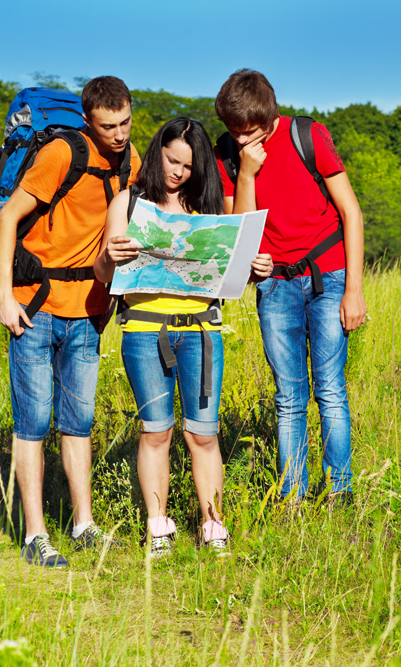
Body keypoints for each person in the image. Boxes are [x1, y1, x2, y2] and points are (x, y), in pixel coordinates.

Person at [94, 118, 273, 557]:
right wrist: (110, 257)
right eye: (172, 160)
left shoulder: (207, 212)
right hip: (143, 331)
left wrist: (252, 270)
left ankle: (214, 526)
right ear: (157, 152)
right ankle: (159, 527)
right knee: (156, 433)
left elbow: (229, 280)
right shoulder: (128, 203)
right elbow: (102, 277)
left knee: (204, 435)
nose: (177, 172)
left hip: (201, 333)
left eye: (188, 166)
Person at [0, 76, 141, 568]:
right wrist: (2, 296)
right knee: (33, 423)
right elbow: (7, 219)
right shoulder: (62, 153)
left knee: (78, 423)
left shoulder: (132, 161)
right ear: (87, 120)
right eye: (108, 126)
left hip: (90, 311)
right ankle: (35, 535)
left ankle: (83, 525)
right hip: (34, 307)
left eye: (124, 123)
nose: (118, 135)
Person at [214, 69, 367, 504]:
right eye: (234, 133)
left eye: (250, 133)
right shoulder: (227, 154)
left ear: (270, 118)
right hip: (275, 286)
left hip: (329, 276)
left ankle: (340, 493)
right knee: (289, 397)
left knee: (330, 389)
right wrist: (246, 172)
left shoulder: (309, 136)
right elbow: (236, 231)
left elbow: (351, 213)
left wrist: (353, 290)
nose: (242, 141)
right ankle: (292, 498)